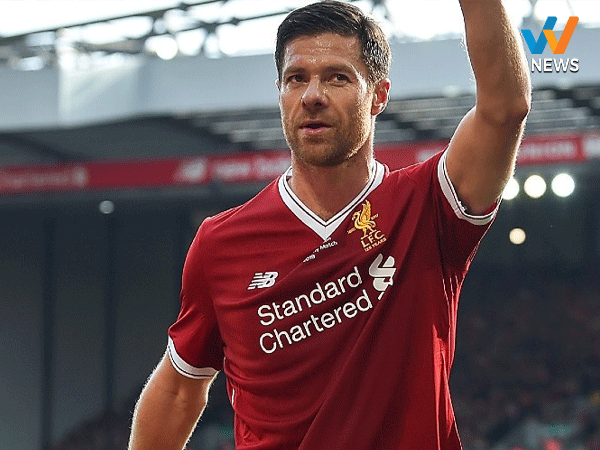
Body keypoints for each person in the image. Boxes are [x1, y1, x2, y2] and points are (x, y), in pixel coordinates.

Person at [128, 0, 530, 449]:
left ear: (378, 95)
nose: (312, 95)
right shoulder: (219, 244)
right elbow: (178, 389)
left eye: (337, 77)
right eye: (296, 78)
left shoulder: (429, 205)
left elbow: (505, 108)